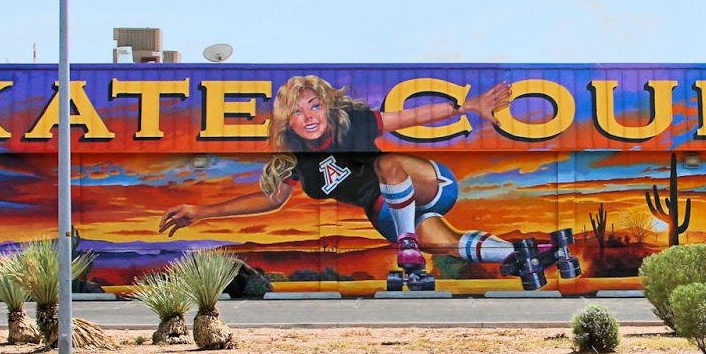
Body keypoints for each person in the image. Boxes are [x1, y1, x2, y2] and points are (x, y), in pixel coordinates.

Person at [158, 75, 533, 289]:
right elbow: (270, 201)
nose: (308, 116)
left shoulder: (352, 122)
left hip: (427, 182)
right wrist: (200, 212)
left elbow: (409, 116)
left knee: (387, 164)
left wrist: (467, 107)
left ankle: (407, 243)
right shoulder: (296, 162)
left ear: (326, 108)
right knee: (442, 243)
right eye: (297, 112)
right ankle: (519, 254)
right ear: (287, 121)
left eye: (314, 106)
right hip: (386, 211)